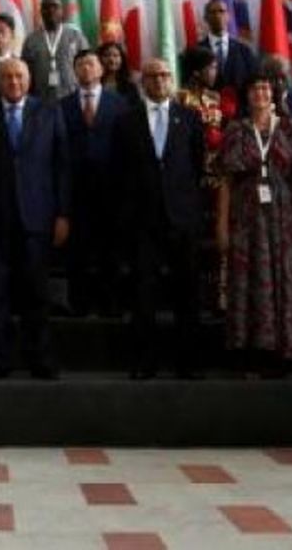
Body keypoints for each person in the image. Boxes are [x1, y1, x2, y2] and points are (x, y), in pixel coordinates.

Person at [0, 58, 70, 379]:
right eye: (7, 77)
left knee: (36, 294)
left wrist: (63, 214)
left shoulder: (49, 112)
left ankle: (40, 359)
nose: (13, 82)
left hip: (38, 219)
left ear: (29, 80)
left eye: (19, 76)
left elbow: (61, 167)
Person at [217, 73, 292, 375]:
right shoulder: (236, 129)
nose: (260, 93)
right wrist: (222, 225)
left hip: (286, 214)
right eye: (254, 88)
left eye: (265, 88)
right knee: (248, 276)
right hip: (246, 214)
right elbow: (226, 180)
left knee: (287, 277)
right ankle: (250, 351)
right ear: (246, 95)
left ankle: (286, 350)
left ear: (275, 94)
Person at [116, 59, 206, 379]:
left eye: (164, 75)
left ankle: (189, 363)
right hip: (143, 219)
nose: (158, 81)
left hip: (182, 218)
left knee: (187, 292)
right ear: (143, 83)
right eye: (152, 76)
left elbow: (196, 166)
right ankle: (144, 362)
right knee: (143, 295)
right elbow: (121, 171)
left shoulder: (191, 118)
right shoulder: (126, 121)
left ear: (172, 80)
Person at [58, 48, 128, 317]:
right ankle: (79, 305)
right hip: (75, 192)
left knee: (110, 253)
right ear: (74, 72)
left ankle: (111, 305)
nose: (86, 69)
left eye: (90, 64)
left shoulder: (120, 104)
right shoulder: (62, 106)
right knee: (77, 253)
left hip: (111, 191)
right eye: (80, 65)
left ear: (101, 69)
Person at [176, 45, 236, 311]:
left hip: (217, 176)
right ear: (197, 71)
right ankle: (195, 298)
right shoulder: (179, 98)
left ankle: (220, 299)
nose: (215, 72)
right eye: (210, 67)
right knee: (195, 240)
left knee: (219, 237)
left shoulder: (216, 98)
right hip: (190, 177)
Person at [22, 0, 86, 105]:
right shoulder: (31, 40)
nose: (51, 10)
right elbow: (26, 71)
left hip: (72, 97)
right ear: (41, 12)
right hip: (41, 99)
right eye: (46, 7)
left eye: (55, 7)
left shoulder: (76, 36)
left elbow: (87, 63)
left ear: (62, 11)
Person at [197, 0, 257, 103]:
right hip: (206, 113)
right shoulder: (196, 51)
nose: (217, 15)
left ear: (228, 16)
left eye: (221, 11)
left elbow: (253, 83)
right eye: (213, 12)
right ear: (205, 18)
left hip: (240, 114)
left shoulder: (245, 51)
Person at [97, 40, 141, 105]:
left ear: (122, 59)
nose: (111, 59)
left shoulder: (130, 85)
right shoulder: (93, 83)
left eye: (116, 55)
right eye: (106, 55)